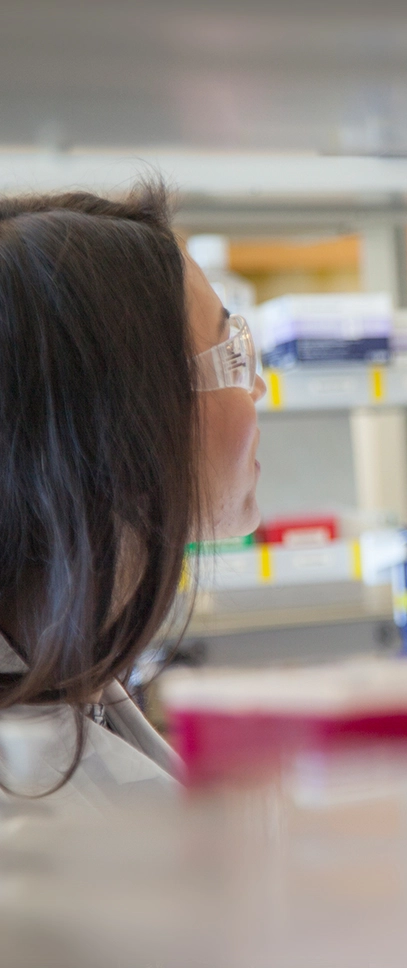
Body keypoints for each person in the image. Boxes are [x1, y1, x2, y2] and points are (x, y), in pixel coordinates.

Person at [0, 185, 265, 805]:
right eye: (230, 357)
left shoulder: (67, 679)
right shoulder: (29, 801)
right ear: (122, 426)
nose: (257, 389)